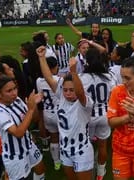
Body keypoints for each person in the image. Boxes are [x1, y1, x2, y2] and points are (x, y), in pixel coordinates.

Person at [37, 46, 94, 180]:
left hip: (82, 151)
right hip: (65, 149)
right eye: (66, 90)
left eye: (71, 90)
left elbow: (80, 93)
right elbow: (48, 77)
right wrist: (41, 58)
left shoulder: (85, 103)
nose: (68, 93)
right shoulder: (61, 97)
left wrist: (73, 72)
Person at [0, 74, 46, 180]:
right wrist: (30, 109)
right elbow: (18, 133)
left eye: (15, 88)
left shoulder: (17, 101)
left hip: (29, 146)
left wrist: (35, 105)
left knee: (40, 169)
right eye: (9, 91)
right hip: (15, 156)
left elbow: (34, 119)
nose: (14, 93)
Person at [80, 48, 116, 180]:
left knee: (86, 145)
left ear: (87, 61)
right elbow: (113, 96)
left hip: (88, 116)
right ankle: (100, 173)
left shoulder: (82, 78)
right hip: (104, 115)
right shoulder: (109, 76)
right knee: (102, 145)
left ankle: (87, 170)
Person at [35, 56, 63, 170]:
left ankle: (56, 162)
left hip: (47, 113)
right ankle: (66, 158)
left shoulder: (38, 80)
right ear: (55, 67)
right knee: (65, 137)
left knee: (53, 137)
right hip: (60, 113)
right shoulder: (59, 80)